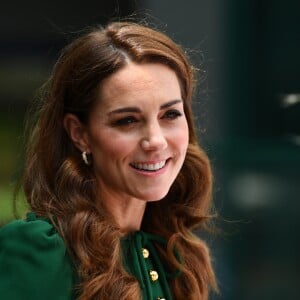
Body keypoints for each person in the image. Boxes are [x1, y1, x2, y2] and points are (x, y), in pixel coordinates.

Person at [0, 21, 217, 299]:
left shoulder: (174, 255)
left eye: (170, 115)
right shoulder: (40, 251)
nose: (156, 141)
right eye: (127, 120)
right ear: (79, 134)